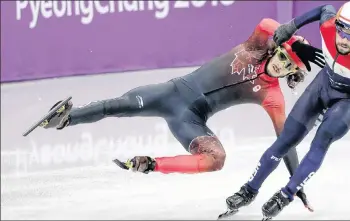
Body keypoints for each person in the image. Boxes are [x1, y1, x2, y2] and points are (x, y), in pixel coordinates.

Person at [39, 18, 324, 211]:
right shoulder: (255, 45)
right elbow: (267, 24)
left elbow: (287, 141)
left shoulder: (272, 96)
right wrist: (294, 36)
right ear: (278, 48)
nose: (280, 66)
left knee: (217, 159)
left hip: (190, 120)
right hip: (170, 93)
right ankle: (67, 117)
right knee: (119, 105)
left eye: (288, 67)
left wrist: (294, 183)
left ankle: (149, 164)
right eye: (283, 57)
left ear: (292, 74)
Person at [224, 1, 350, 220]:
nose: (344, 39)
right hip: (324, 84)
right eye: (341, 31)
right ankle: (250, 189)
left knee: (322, 139)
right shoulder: (327, 25)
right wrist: (292, 26)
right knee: (285, 139)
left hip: (349, 99)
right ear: (336, 25)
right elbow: (324, 8)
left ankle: (286, 194)